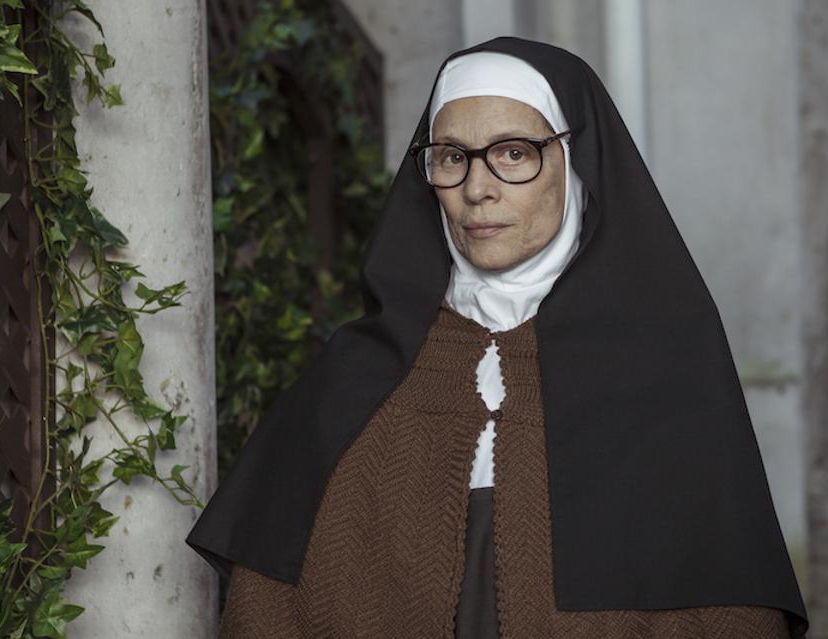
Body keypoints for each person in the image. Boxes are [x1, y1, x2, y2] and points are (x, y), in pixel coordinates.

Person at [186, 36, 810, 638]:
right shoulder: (354, 379)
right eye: (451, 156)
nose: (477, 189)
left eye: (513, 153)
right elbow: (270, 608)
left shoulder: (668, 372)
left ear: (576, 163)